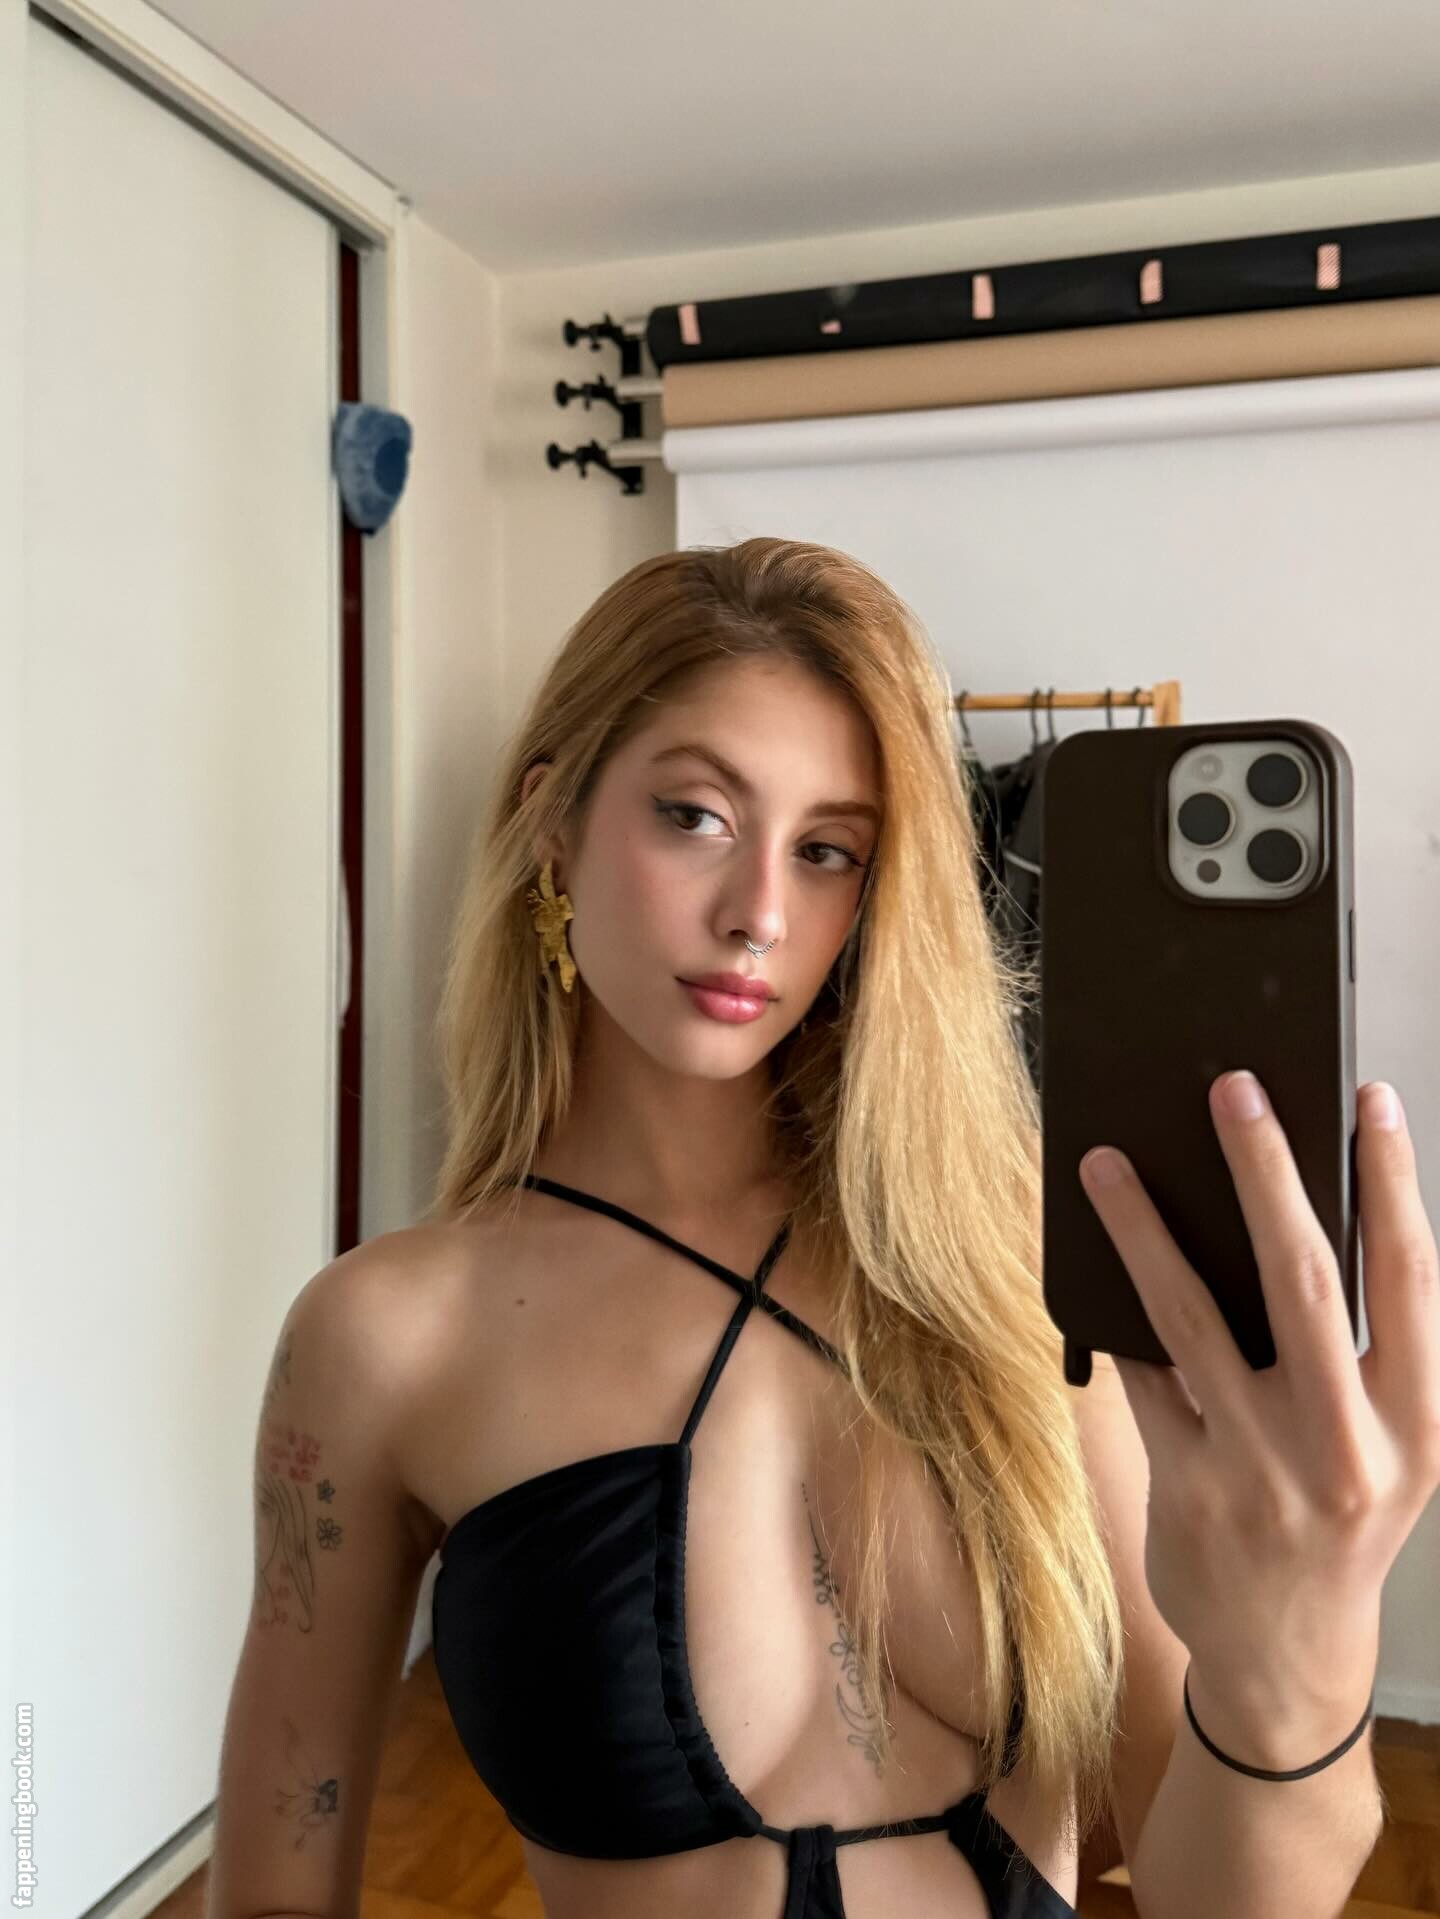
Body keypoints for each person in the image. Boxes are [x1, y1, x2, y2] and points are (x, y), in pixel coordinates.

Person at [205, 538, 1177, 1919]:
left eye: (828, 851)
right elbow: (279, 1879)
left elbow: (1188, 1820)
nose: (761, 916)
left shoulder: (1003, 1250)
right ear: (553, 820)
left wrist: (1298, 1620)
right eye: (698, 816)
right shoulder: (385, 1338)